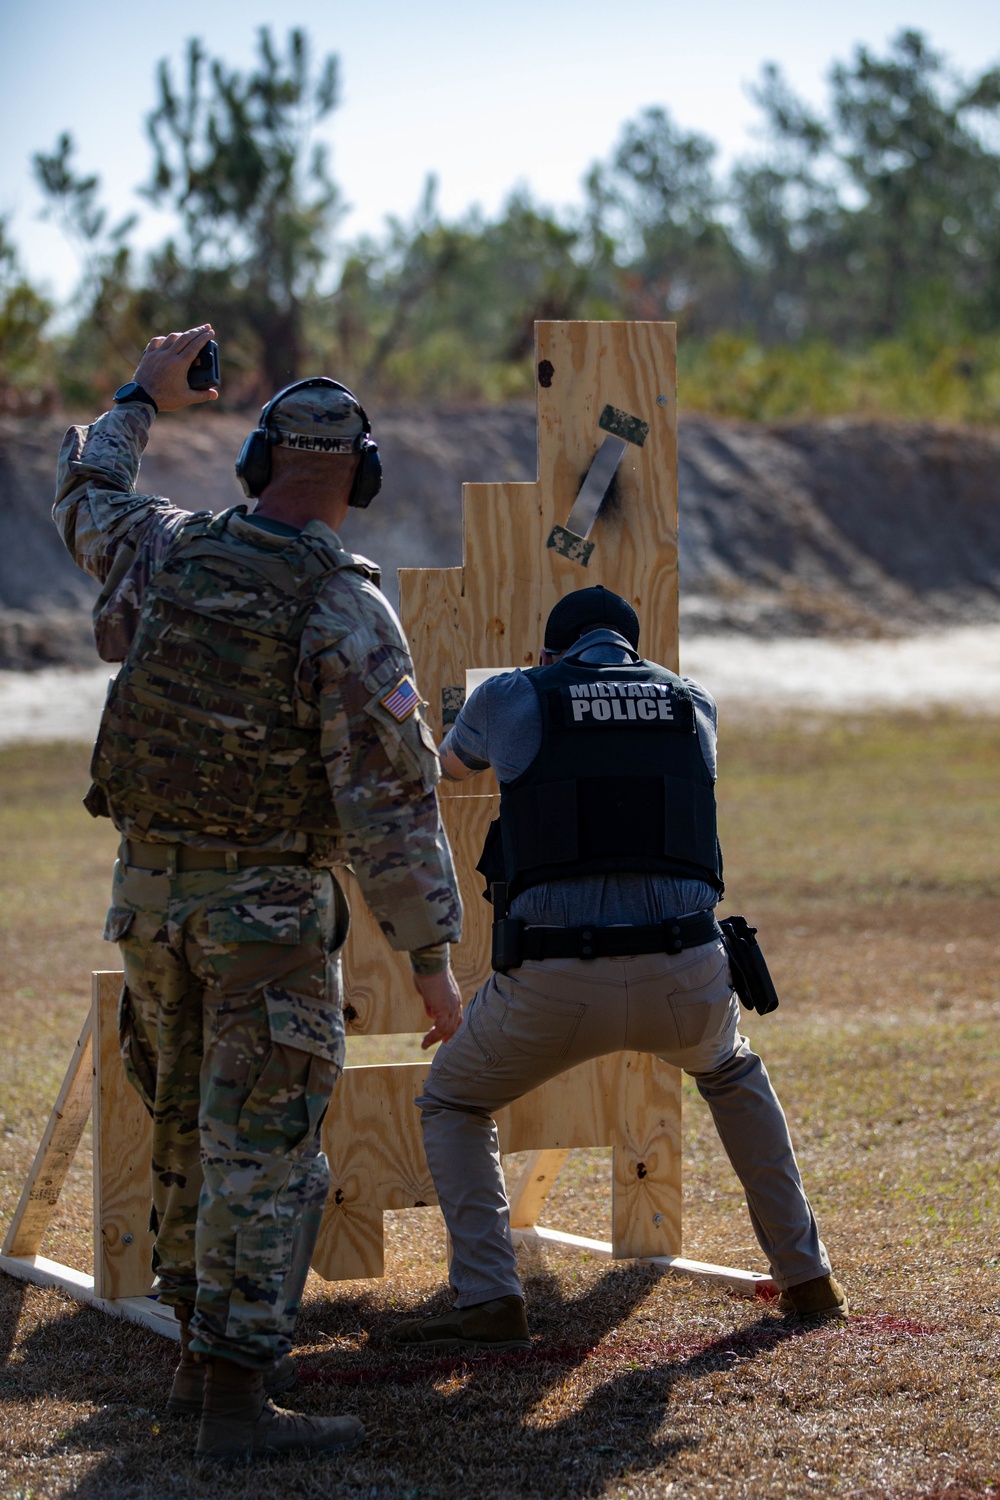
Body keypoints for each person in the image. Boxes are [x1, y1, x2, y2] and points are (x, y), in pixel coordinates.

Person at [53, 325, 464, 1462]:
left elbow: (86, 492)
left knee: (185, 1124)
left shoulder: (170, 549)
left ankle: (198, 1369)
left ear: (254, 461)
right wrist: (432, 963)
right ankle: (235, 1399)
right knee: (267, 1148)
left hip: (148, 905)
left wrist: (141, 393)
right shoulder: (345, 609)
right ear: (363, 478)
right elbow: (391, 805)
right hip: (266, 919)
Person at [391, 584, 847, 1352]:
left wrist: (402, 709)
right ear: (633, 649)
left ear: (547, 654)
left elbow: (447, 767)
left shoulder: (514, 692)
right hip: (689, 970)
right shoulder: (692, 701)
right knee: (733, 1075)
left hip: (555, 979)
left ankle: (492, 1301)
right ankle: (807, 1276)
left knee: (453, 1104)